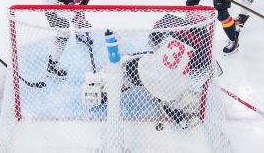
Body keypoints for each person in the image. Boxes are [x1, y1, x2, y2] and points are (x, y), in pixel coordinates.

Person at [83, 9, 215, 129]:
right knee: (175, 84)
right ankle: (172, 107)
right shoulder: (205, 43)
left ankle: (103, 91)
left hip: (147, 75)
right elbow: (198, 73)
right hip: (172, 89)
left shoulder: (173, 21)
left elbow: (152, 42)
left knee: (128, 65)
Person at [44, 0, 93, 78]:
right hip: (52, 6)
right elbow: (62, 12)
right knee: (64, 33)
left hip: (66, 2)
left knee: (79, 14)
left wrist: (81, 9)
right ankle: (52, 64)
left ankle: (80, 35)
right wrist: (77, 18)